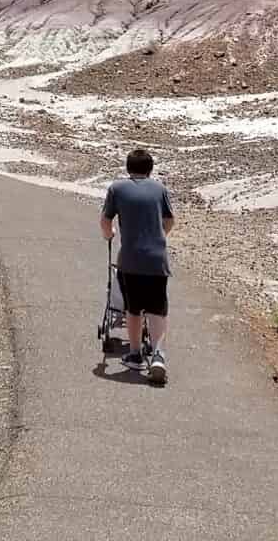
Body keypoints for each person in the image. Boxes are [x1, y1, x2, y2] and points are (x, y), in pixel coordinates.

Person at [100, 148, 174, 382]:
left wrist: (109, 234)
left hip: (130, 260)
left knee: (133, 310)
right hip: (156, 259)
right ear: (150, 169)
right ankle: (159, 355)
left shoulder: (117, 189)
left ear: (128, 168)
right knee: (157, 309)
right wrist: (158, 235)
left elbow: (106, 221)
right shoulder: (160, 189)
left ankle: (134, 355)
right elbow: (170, 221)